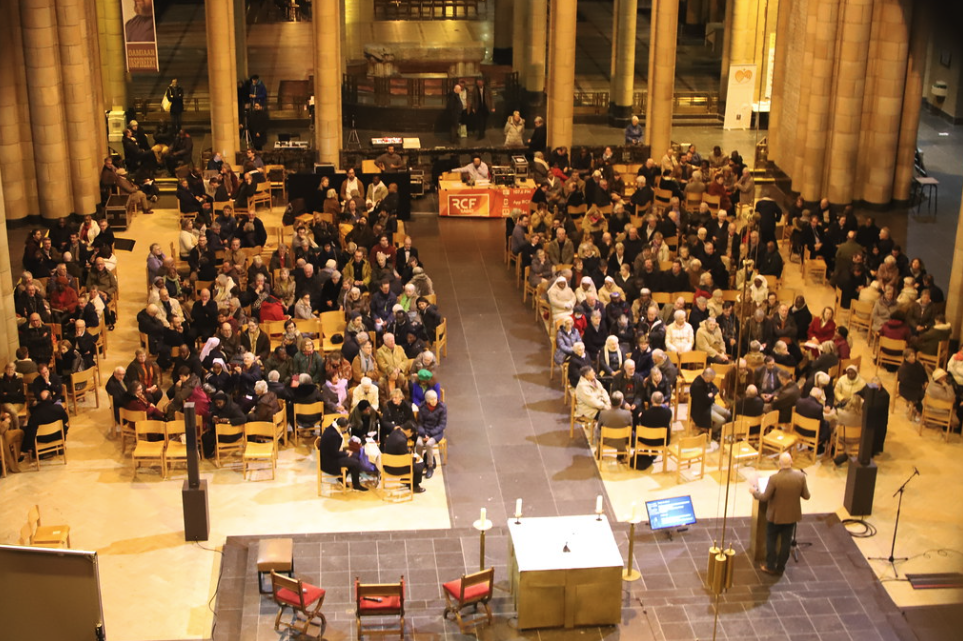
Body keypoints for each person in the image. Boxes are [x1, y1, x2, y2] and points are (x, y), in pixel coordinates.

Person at [750, 452, 811, 576]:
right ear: (792, 462)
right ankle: (781, 567)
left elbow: (765, 497)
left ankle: (771, 565)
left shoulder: (774, 479)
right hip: (791, 516)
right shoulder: (800, 477)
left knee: (771, 540)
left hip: (775, 516)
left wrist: (754, 492)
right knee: (786, 542)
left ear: (780, 464)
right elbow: (806, 496)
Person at [317, 417, 368, 491]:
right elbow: (334, 453)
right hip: (330, 462)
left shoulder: (332, 428)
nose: (346, 429)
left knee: (355, 456)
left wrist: (346, 453)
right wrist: (345, 454)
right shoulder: (333, 435)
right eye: (345, 428)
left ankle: (342, 479)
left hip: (330, 457)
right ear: (340, 426)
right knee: (355, 462)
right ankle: (356, 485)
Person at [383, 421, 426, 493]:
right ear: (409, 430)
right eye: (412, 433)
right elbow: (406, 459)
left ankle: (406, 481)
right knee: (420, 464)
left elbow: (401, 452)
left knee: (414, 460)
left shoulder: (394, 432)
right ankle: (415, 486)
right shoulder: (401, 440)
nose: (411, 435)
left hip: (387, 465)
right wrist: (415, 458)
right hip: (394, 468)